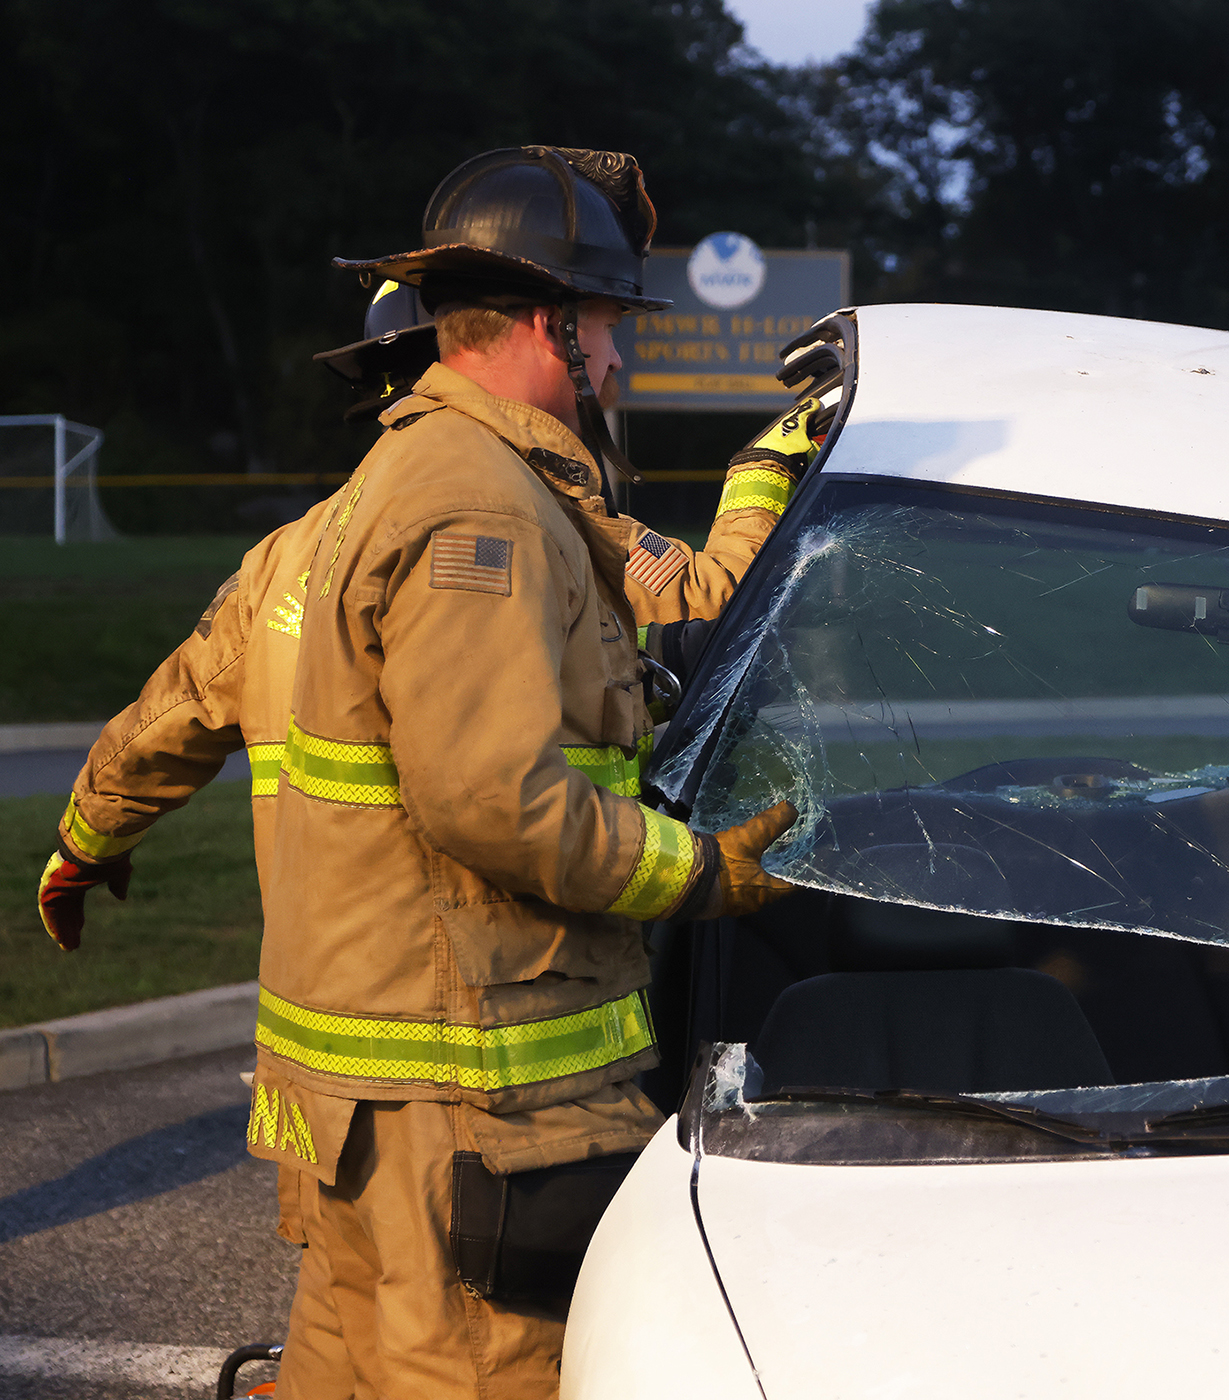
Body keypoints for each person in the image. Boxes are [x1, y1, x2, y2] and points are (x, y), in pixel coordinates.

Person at [34, 145, 819, 1398]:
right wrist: (700, 871)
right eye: (613, 324)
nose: (620, 360)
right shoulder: (485, 509)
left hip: (347, 1106)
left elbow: (166, 716)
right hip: (471, 1100)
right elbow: (490, 795)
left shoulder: (318, 534)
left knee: (339, 1371)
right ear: (556, 321)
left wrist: (84, 842)